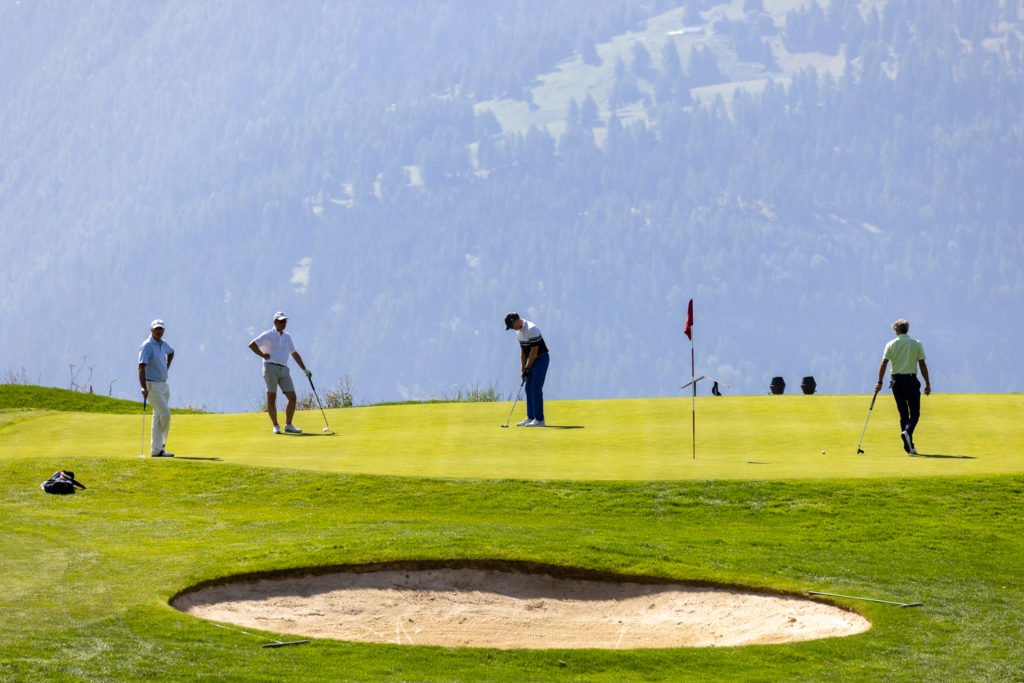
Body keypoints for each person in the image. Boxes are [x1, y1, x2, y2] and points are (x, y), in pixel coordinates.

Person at [248, 312, 312, 434]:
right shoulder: (268, 334)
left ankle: (288, 425)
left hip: (284, 369)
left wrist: (304, 369)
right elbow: (252, 345)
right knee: (272, 397)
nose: (283, 323)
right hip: (270, 368)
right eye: (281, 321)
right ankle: (276, 425)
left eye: (285, 321)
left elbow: (294, 353)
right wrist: (262, 355)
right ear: (275, 322)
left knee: (292, 397)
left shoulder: (287, 336)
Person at [874, 318, 931, 454]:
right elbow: (922, 365)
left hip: (894, 381)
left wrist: (880, 382)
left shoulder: (890, 344)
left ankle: (909, 446)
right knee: (915, 412)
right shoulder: (916, 344)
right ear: (907, 329)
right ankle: (908, 432)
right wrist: (927, 383)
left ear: (896, 331)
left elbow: (883, 364)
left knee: (903, 413)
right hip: (910, 379)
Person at [504, 312, 550, 427]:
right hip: (531, 359)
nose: (512, 329)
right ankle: (531, 417)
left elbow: (534, 352)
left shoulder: (532, 329)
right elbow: (523, 352)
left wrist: (527, 368)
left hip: (541, 359)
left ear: (516, 321)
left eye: (511, 326)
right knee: (528, 388)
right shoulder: (518, 332)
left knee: (535, 388)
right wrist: (522, 370)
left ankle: (540, 420)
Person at [138, 319, 175, 457]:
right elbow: (141, 366)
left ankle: (156, 450)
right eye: (156, 329)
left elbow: (171, 352)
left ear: (164, 330)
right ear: (151, 330)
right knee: (165, 415)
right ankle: (161, 445)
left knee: (157, 417)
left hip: (164, 385)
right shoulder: (147, 345)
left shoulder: (163, 344)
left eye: (161, 329)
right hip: (152, 385)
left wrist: (167, 366)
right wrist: (143, 387)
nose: (159, 331)